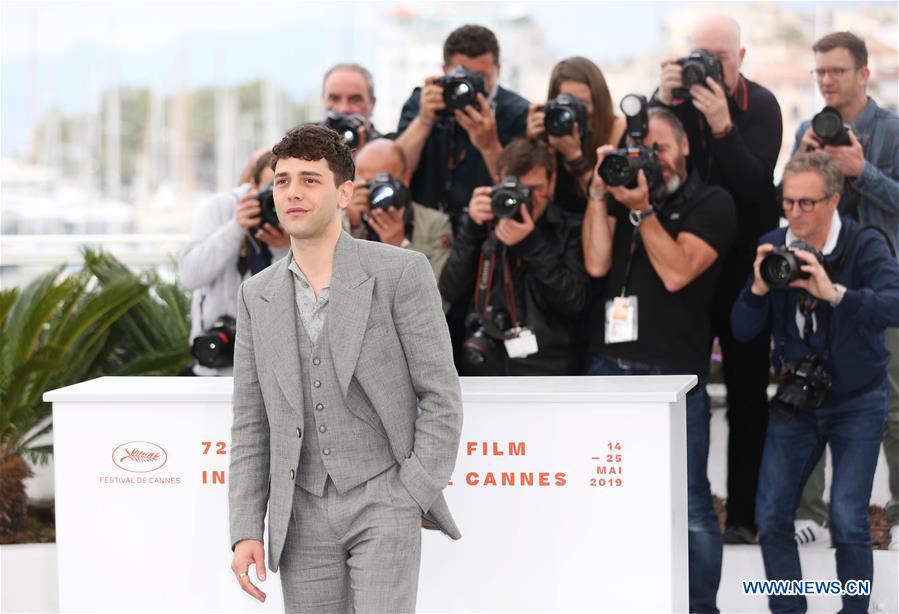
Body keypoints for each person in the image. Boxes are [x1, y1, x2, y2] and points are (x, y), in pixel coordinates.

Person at [228, 125, 463, 612]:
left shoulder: (401, 271)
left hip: (384, 500)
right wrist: (246, 528)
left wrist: (411, 493)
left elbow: (440, 395)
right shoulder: (257, 294)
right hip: (300, 512)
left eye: (310, 180)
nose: (293, 192)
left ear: (345, 193)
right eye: (282, 180)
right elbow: (251, 422)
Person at [731, 151, 899, 614]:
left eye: (807, 203)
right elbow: (742, 329)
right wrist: (758, 290)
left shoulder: (864, 245)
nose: (796, 214)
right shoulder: (772, 247)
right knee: (771, 515)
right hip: (797, 398)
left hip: (857, 400)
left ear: (834, 201)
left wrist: (835, 293)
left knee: (847, 519)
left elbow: (894, 303)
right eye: (788, 203)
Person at [583, 107, 736, 614]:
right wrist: (601, 193)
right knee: (607, 494)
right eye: (640, 150)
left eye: (660, 148)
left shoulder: (711, 203)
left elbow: (676, 272)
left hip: (675, 378)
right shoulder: (625, 194)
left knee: (690, 501)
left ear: (685, 147)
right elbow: (597, 262)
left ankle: (699, 607)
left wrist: (643, 211)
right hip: (610, 368)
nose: (650, 159)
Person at [654, 13, 782, 544]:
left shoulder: (763, 105)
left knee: (749, 394)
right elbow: (650, 167)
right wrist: (659, 103)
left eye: (720, 58)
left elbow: (756, 190)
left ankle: (745, 518)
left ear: (741, 59)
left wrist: (724, 126)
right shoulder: (673, 105)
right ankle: (672, 506)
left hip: (741, 272)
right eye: (698, 57)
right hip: (687, 263)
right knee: (678, 390)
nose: (708, 68)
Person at [790, 31, 899, 551]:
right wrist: (807, 165)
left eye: (837, 70)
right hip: (818, 282)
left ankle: (898, 513)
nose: (827, 80)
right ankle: (808, 513)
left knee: (895, 404)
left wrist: (864, 171)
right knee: (809, 394)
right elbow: (788, 206)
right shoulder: (807, 131)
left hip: (879, 285)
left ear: (863, 73)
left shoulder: (893, 131)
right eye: (820, 72)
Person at [438, 137, 589, 375]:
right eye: (517, 190)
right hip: (485, 365)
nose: (526, 200)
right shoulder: (482, 223)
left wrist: (530, 244)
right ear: (497, 182)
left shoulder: (569, 228)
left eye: (535, 190)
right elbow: (450, 289)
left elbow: (573, 300)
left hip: (549, 369)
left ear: (552, 183)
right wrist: (472, 231)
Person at [395, 24, 529, 227]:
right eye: (463, 75)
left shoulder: (518, 113)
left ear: (498, 71)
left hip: (488, 228)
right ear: (444, 71)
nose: (471, 86)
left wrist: (490, 146)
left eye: (481, 77)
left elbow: (522, 190)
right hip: (425, 228)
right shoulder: (421, 102)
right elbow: (396, 169)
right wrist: (423, 122)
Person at [179, 149, 290, 375]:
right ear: (252, 186)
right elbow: (190, 276)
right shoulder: (221, 208)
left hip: (272, 369)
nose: (277, 200)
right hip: (215, 365)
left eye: (285, 188)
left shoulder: (300, 216)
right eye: (272, 187)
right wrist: (236, 227)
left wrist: (283, 250)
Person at [525, 56, 627, 218]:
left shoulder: (617, 130)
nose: (572, 113)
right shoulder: (552, 130)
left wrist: (575, 157)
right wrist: (535, 145)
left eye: (582, 103)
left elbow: (612, 206)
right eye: (566, 102)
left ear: (598, 102)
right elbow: (540, 201)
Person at [346, 138, 454, 282]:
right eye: (367, 184)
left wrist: (399, 246)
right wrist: (352, 226)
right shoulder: (336, 218)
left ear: (406, 179)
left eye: (382, 182)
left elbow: (437, 298)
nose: (376, 191)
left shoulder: (434, 224)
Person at [321, 62, 381, 149]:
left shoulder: (388, 152)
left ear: (372, 104)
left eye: (355, 100)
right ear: (323, 101)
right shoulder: (303, 144)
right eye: (335, 99)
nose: (343, 109)